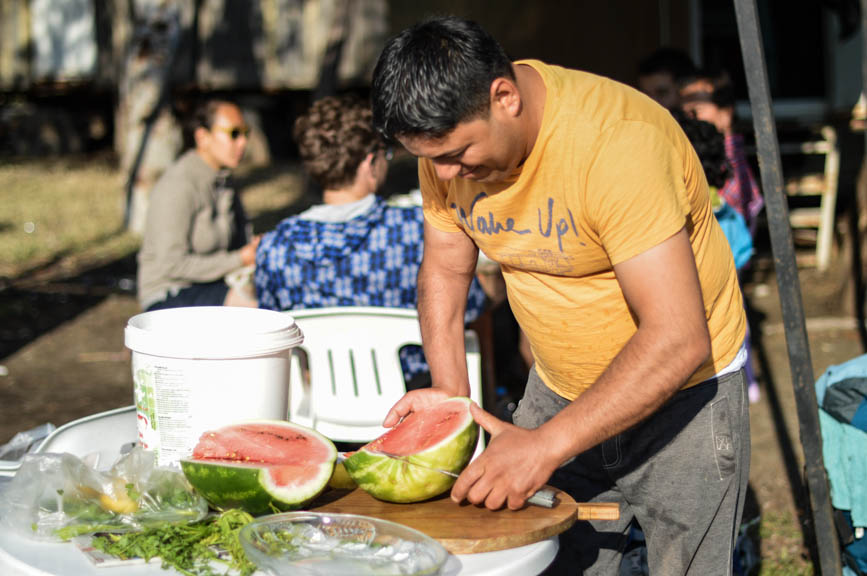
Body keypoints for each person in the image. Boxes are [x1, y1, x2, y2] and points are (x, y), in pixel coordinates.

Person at [372, 16, 749, 575]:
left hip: (685, 401)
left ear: (504, 97)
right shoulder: (443, 155)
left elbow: (676, 338)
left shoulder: (618, 143)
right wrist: (453, 398)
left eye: (457, 153)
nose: (446, 172)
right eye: (431, 159)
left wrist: (543, 447)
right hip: (556, 390)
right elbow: (446, 270)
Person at [254, 94, 487, 386]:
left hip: (320, 399)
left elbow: (272, 327)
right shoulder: (414, 230)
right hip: (411, 389)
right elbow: (470, 305)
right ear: (369, 162)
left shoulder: (275, 246)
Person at [137, 99, 260, 311]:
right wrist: (239, 259)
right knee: (252, 310)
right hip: (170, 292)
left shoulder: (224, 182)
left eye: (245, 133)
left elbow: (242, 243)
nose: (242, 143)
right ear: (203, 137)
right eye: (233, 134)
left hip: (216, 285)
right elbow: (171, 264)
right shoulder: (178, 185)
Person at [680, 70, 765, 235]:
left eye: (696, 111)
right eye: (685, 113)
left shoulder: (728, 161)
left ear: (726, 113)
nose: (690, 119)